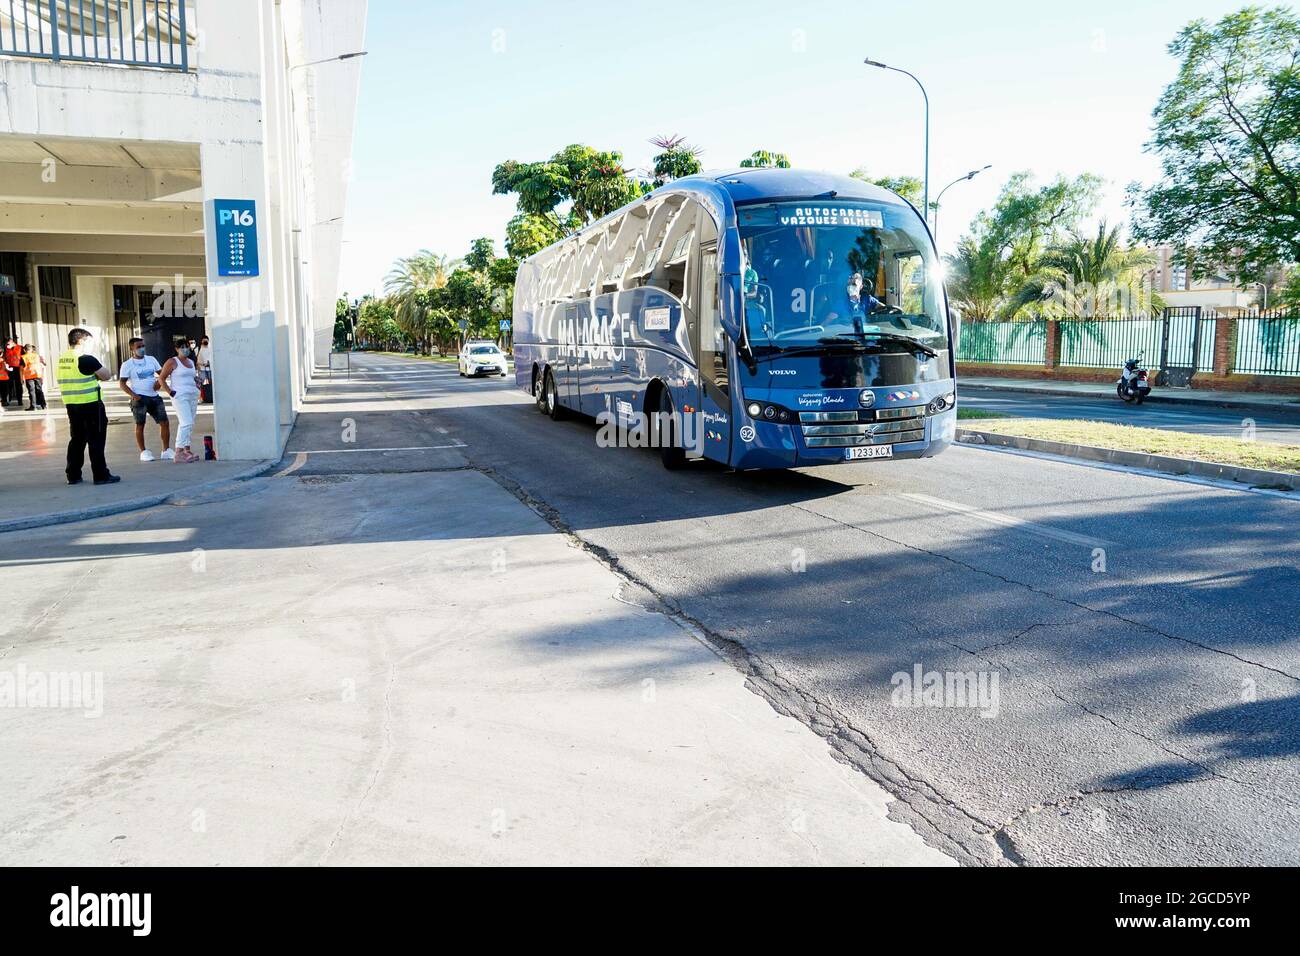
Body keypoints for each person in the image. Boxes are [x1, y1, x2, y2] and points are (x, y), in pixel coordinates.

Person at [57, 328, 119, 485]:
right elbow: (106, 375)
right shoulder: (85, 359)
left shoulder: (63, 359)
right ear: (81, 341)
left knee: (77, 440)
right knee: (96, 440)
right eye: (90, 341)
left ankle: (73, 475)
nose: (91, 345)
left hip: (72, 405)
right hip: (91, 405)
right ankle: (100, 475)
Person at [118, 337, 172, 461]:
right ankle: (144, 452)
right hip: (139, 398)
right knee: (140, 425)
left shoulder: (151, 360)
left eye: (143, 346)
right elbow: (122, 383)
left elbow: (162, 373)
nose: (142, 349)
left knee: (164, 422)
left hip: (154, 397)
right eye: (138, 347)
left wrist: (159, 383)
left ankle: (166, 450)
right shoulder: (127, 365)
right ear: (132, 349)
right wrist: (134, 395)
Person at [156, 336, 203, 463]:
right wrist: (170, 391)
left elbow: (193, 377)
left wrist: (198, 383)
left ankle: (187, 450)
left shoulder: (191, 362)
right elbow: (161, 378)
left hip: (192, 394)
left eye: (186, 346)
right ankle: (178, 452)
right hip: (180, 396)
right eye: (182, 347)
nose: (185, 349)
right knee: (185, 422)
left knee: (190, 423)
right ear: (176, 349)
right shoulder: (172, 361)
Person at [21, 344, 46, 411]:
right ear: (31, 349)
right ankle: (43, 405)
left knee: (32, 391)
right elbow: (44, 363)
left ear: (24, 350)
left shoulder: (23, 357)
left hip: (29, 376)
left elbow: (20, 369)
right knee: (39, 390)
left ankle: (33, 406)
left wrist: (21, 378)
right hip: (38, 375)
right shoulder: (37, 355)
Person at [3, 337, 22, 406]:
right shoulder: (6, 349)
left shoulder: (20, 348)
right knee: (9, 385)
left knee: (18, 385)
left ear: (11, 341)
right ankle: (8, 400)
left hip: (18, 368)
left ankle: (20, 400)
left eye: (8, 343)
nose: (7, 345)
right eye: (6, 344)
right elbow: (4, 358)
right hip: (9, 368)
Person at [197, 335, 213, 403]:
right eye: (204, 340)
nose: (205, 341)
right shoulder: (199, 349)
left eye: (206, 340)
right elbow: (197, 361)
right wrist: (200, 366)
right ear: (201, 341)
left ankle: (211, 397)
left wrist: (210, 363)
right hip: (202, 369)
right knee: (200, 384)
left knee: (211, 383)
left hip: (210, 368)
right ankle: (201, 397)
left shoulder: (211, 349)